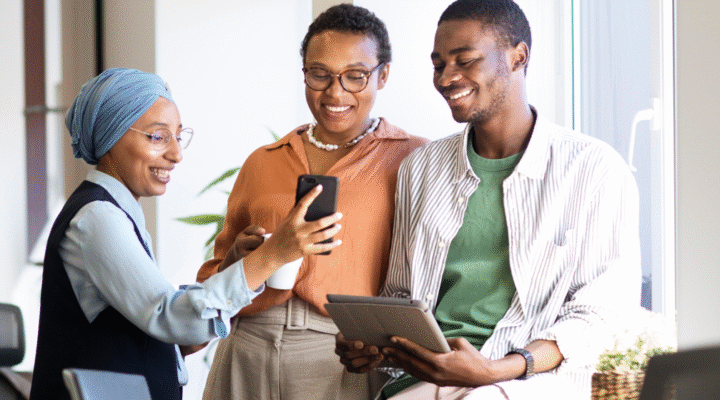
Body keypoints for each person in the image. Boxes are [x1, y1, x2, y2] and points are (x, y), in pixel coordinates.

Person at [336, 1, 641, 399]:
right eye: (439, 65)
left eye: (465, 61)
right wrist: (374, 346)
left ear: (518, 57)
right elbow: (401, 295)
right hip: (423, 382)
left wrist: (499, 368)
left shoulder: (593, 168)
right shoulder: (420, 168)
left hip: (528, 382)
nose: (447, 78)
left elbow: (602, 314)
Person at [29, 68, 332, 400]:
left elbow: (174, 333)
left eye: (178, 136)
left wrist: (233, 268)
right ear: (111, 136)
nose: (176, 154)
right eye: (158, 137)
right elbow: (169, 317)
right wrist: (272, 256)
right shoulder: (97, 218)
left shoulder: (115, 213)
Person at [195, 4, 428, 400]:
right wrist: (238, 257)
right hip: (246, 347)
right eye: (319, 74)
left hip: (340, 354)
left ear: (383, 75)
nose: (335, 92)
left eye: (355, 76)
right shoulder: (263, 161)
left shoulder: (414, 159)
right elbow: (211, 282)